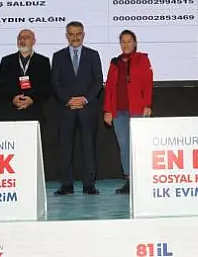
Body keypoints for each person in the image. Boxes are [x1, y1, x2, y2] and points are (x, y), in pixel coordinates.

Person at [51, 21, 103, 195]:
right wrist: (69, 100)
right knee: (65, 148)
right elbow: (55, 82)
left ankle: (89, 185)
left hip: (87, 109)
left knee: (88, 147)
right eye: (71, 34)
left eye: (78, 34)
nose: (75, 37)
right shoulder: (58, 56)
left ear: (83, 34)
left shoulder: (93, 55)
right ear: (67, 36)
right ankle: (66, 184)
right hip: (66, 109)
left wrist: (85, 99)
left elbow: (98, 81)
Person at [103, 30, 153, 195]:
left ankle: (143, 179)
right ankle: (129, 180)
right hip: (119, 111)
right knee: (124, 146)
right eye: (123, 41)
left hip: (137, 109)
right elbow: (109, 88)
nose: (126, 44)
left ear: (135, 43)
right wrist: (108, 110)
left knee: (139, 145)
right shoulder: (115, 62)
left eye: (129, 41)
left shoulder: (142, 59)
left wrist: (147, 104)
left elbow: (147, 84)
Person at [0, 29, 51, 122]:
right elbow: (1, 84)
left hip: (35, 109)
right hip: (11, 110)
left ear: (34, 41)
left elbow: (46, 85)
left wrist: (31, 99)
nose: (22, 41)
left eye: (26, 38)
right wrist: (13, 98)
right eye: (20, 38)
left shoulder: (43, 61)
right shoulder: (7, 60)